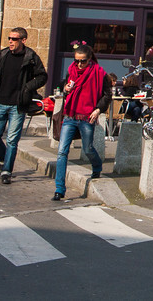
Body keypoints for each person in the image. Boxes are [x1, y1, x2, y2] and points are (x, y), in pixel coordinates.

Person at [0, 27, 47, 185]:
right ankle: (3, 159)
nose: (10, 41)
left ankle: (7, 171)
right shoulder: (2, 55)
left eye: (14, 39)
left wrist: (28, 87)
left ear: (23, 40)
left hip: (18, 105)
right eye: (9, 38)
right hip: (0, 103)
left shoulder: (31, 57)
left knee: (12, 140)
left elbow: (42, 76)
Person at [52, 41, 109, 201]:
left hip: (87, 116)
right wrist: (65, 89)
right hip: (70, 115)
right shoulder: (71, 71)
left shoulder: (99, 73)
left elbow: (107, 95)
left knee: (88, 149)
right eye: (76, 60)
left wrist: (98, 109)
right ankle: (59, 189)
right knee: (62, 152)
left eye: (82, 61)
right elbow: (65, 87)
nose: (79, 64)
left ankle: (97, 166)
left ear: (89, 59)